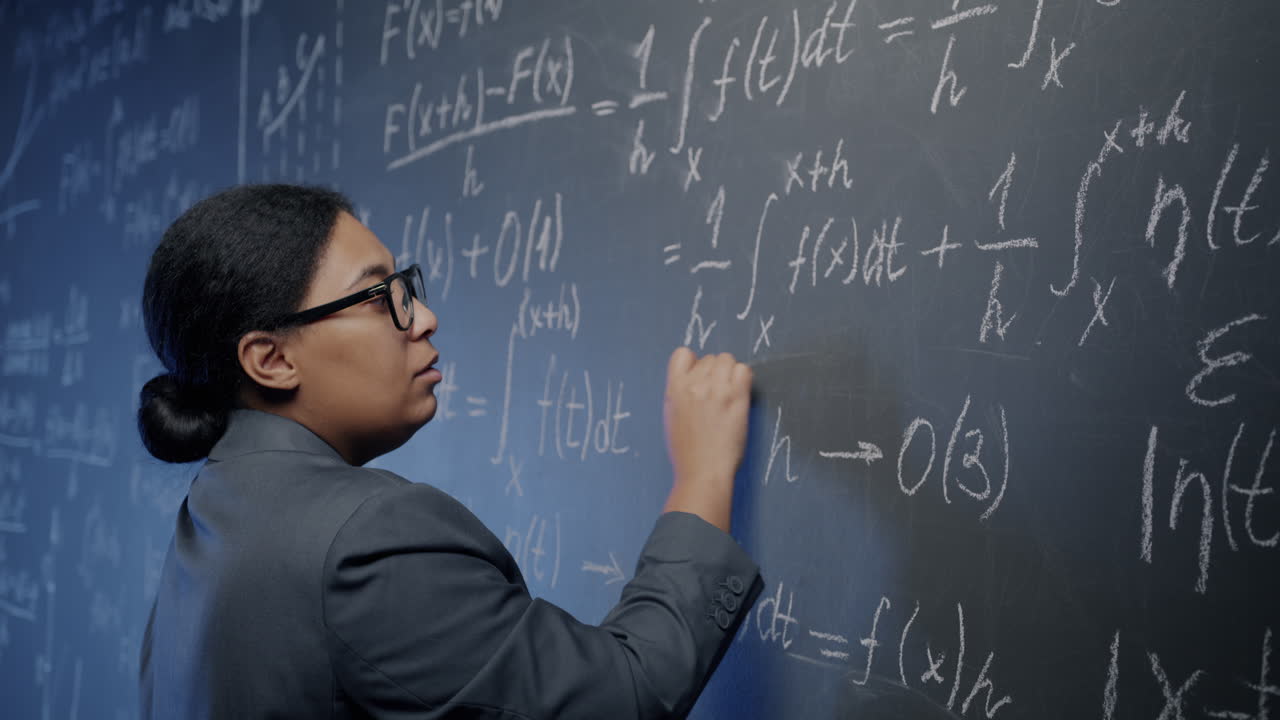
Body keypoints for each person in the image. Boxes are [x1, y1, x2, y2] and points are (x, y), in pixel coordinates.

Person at [137, 184, 763, 719]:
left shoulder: (212, 519)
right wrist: (703, 474)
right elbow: (625, 695)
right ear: (272, 359)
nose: (424, 318)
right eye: (382, 297)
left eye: (406, 288)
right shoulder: (365, 542)